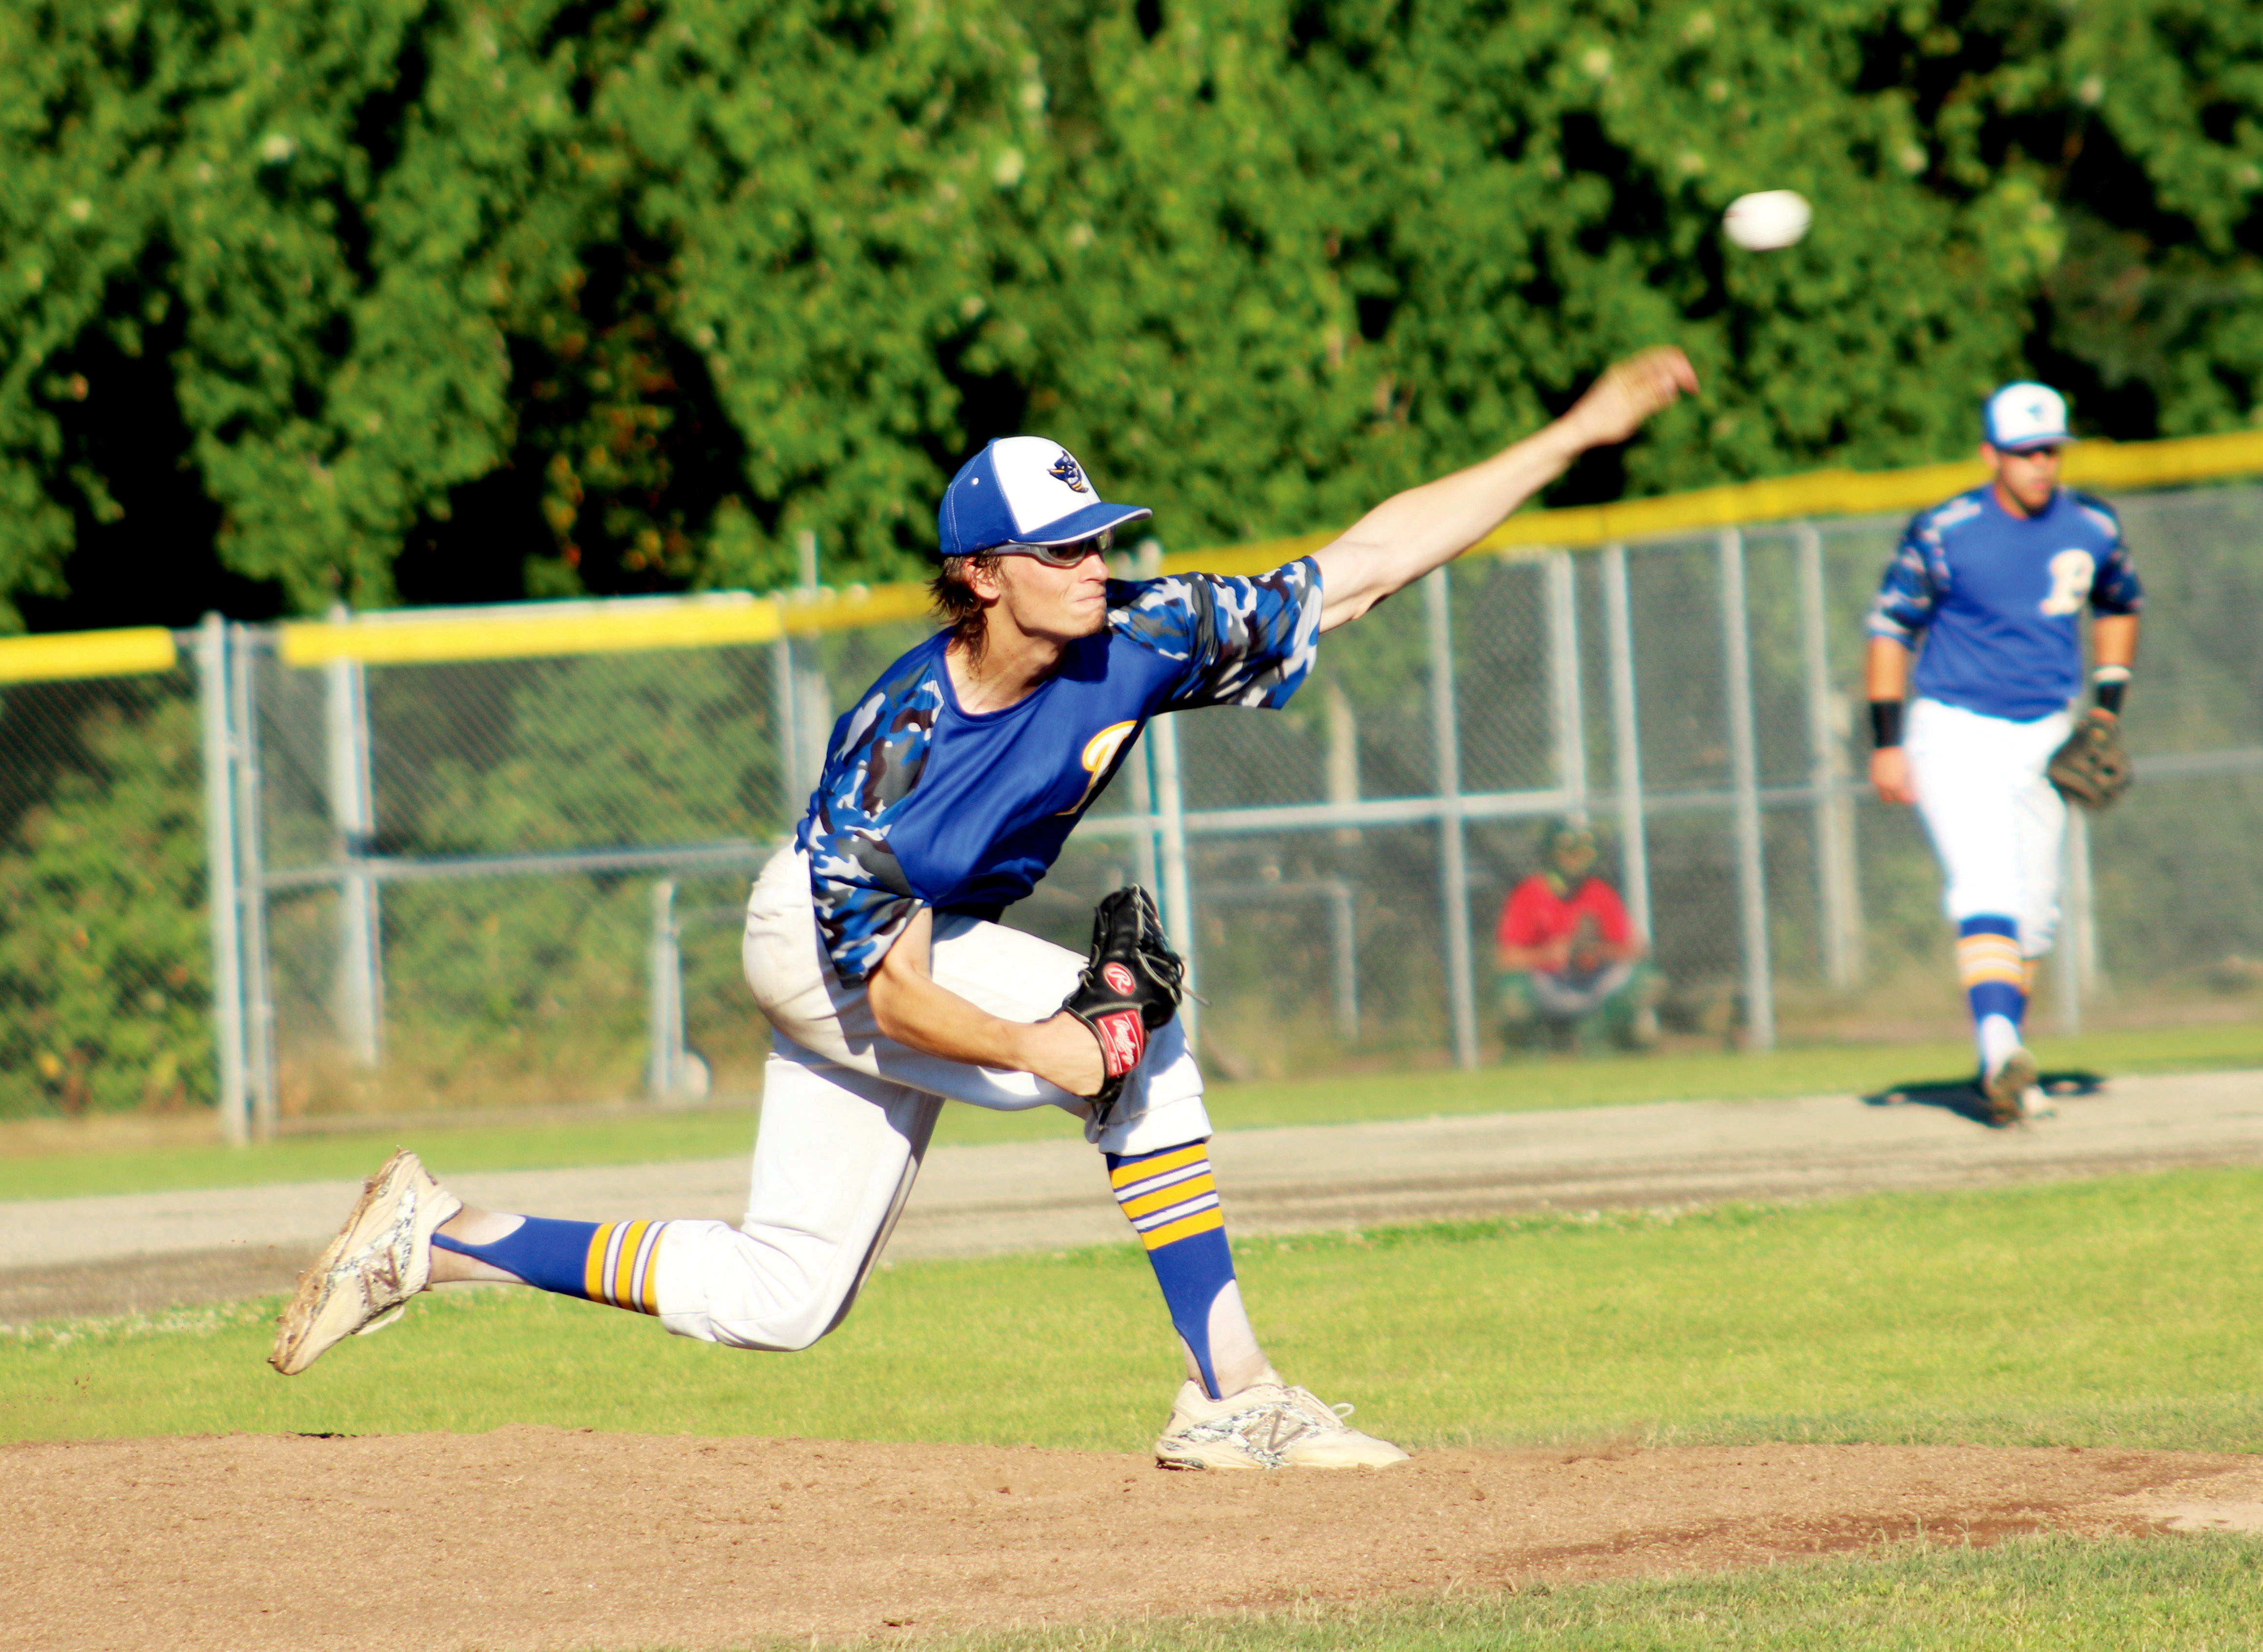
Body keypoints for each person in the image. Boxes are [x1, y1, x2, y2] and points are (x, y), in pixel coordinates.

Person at [270, 346, 1700, 1468]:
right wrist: (1048, 1050)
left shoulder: (1140, 636)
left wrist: (1575, 432)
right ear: (980, 575)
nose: (1096, 563)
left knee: (786, 1298)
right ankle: (1233, 1399)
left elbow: (1363, 567)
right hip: (823, 943)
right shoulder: (893, 752)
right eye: (1063, 549)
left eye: (1097, 539)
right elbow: (885, 996)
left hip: (918, 951)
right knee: (1142, 1055)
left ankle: (438, 1236)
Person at [1865, 381, 2141, 1124]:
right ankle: (1998, 1049)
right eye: (2023, 453)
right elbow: (1890, 630)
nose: (2040, 465)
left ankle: (2005, 1057)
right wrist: (1887, 744)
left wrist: (2107, 712)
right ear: (1992, 455)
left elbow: (2119, 604)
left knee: (2037, 913)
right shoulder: (1946, 529)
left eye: (2050, 450)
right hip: (1955, 727)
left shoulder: (2092, 525)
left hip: (2047, 733)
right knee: (1983, 882)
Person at [1494, 821, 1657, 1053]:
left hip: (1590, 980)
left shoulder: (1598, 892)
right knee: (1513, 992)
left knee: (1646, 979)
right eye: (1568, 854)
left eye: (1581, 854)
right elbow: (1506, 958)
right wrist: (1548, 954)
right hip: (1549, 982)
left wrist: (1596, 951)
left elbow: (1636, 949)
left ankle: (1603, 1038)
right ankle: (1528, 1050)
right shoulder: (1529, 894)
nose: (1575, 861)